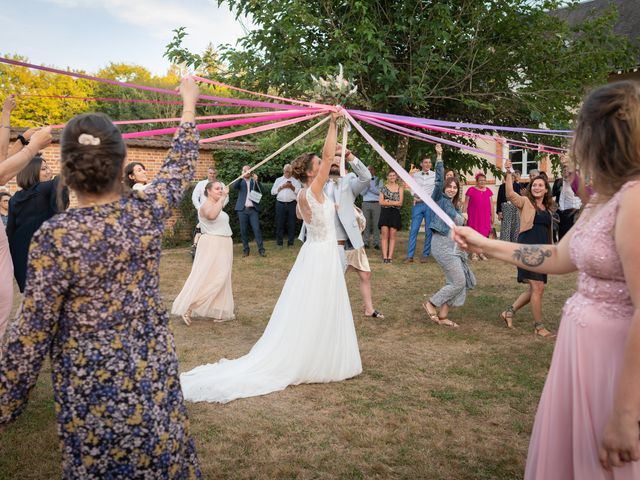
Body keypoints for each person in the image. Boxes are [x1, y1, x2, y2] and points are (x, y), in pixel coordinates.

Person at [0, 78, 202, 478]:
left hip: (91, 391)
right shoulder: (146, 213)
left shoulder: (57, 238)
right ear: (119, 162)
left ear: (68, 174)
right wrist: (189, 103)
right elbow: (179, 166)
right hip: (153, 376)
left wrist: (4, 402)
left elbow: (31, 334)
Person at [452, 80, 640, 479]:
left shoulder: (635, 200)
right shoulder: (604, 199)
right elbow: (556, 257)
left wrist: (625, 412)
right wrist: (484, 242)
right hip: (580, 352)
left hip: (614, 361)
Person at [180, 113, 362, 404]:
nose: (325, 167)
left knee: (317, 304)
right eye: (320, 166)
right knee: (319, 302)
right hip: (322, 254)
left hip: (316, 253)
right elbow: (329, 155)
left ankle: (316, 350)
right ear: (312, 172)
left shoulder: (307, 193)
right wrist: (333, 123)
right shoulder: (312, 190)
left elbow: (326, 165)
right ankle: (315, 356)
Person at [0, 95, 53, 339]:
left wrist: (20, 135)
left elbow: (3, 157)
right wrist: (33, 146)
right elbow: (2, 169)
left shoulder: (18, 199)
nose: (48, 170)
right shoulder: (36, 193)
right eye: (44, 168)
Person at [323, 145, 385, 318]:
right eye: (333, 157)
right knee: (334, 280)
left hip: (351, 240)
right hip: (331, 241)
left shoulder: (349, 182)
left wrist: (350, 155)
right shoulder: (319, 183)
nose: (336, 160)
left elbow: (366, 177)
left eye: (339, 157)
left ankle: (369, 309)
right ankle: (328, 312)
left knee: (365, 273)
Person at [496, 160, 555, 337]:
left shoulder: (548, 208)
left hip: (542, 250)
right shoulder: (525, 202)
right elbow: (509, 194)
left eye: (540, 185)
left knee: (537, 288)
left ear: (546, 189)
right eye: (534, 185)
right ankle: (539, 327)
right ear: (531, 188)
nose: (537, 187)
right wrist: (508, 172)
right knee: (537, 287)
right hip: (527, 248)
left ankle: (509, 312)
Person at [422, 144, 475, 327]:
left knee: (455, 281)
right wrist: (439, 157)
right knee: (458, 281)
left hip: (455, 247)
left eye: (454, 187)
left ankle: (443, 316)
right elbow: (438, 180)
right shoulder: (440, 199)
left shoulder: (454, 206)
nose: (451, 189)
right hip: (442, 246)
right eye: (449, 186)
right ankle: (431, 303)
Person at [173, 181, 234, 325]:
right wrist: (223, 197)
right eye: (217, 189)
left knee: (222, 277)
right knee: (215, 277)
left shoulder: (216, 204)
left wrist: (222, 199)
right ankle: (189, 307)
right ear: (208, 191)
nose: (220, 190)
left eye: (221, 188)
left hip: (224, 243)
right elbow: (212, 215)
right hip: (213, 243)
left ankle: (221, 311)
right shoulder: (206, 205)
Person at [7, 154, 69, 292]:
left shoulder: (14, 199)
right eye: (43, 169)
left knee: (32, 295)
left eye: (48, 168)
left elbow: (10, 231)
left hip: (20, 251)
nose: (49, 171)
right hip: (42, 247)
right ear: (32, 172)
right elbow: (59, 207)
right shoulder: (45, 188)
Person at [404, 153, 436, 263]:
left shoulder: (435, 175)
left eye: (429, 163)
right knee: (414, 230)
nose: (428, 164)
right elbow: (411, 187)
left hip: (429, 205)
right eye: (426, 162)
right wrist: (414, 196)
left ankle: (425, 255)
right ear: (421, 164)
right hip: (418, 205)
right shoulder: (416, 175)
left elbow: (436, 190)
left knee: (428, 231)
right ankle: (410, 256)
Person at [191, 166, 228, 256]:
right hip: (203, 213)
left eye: (214, 173)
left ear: (216, 174)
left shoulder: (221, 185)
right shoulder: (201, 184)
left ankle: (216, 251)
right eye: (210, 173)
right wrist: (199, 208)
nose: (212, 175)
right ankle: (197, 251)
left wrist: (220, 206)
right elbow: (194, 196)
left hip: (217, 212)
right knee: (200, 232)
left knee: (216, 233)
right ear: (207, 173)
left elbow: (226, 198)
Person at [234, 165, 266, 257]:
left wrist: (257, 181)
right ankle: (246, 250)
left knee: (257, 230)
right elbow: (235, 187)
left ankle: (261, 250)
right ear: (242, 171)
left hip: (253, 210)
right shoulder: (240, 181)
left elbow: (262, 191)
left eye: (248, 170)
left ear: (251, 172)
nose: (247, 172)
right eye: (245, 170)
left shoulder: (253, 181)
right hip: (242, 209)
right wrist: (240, 177)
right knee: (243, 230)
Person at [464, 172, 494, 260]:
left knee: (483, 235)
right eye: (480, 180)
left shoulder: (488, 191)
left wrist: (492, 216)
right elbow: (465, 204)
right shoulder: (470, 190)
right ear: (476, 181)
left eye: (484, 180)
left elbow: (491, 205)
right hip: (474, 216)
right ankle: (474, 253)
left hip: (484, 217)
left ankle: (481, 253)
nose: (483, 182)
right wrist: (464, 215)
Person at [271, 163, 301, 248]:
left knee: (292, 224)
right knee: (280, 224)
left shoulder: (295, 181)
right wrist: (281, 187)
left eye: (289, 172)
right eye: (286, 171)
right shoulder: (278, 180)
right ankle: (279, 243)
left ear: (292, 172)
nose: (287, 173)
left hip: (292, 204)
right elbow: (272, 192)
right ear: (283, 171)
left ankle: (290, 243)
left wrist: (291, 187)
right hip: (280, 204)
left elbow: (299, 192)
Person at [378, 170, 403, 263]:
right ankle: (385, 257)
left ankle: (390, 257)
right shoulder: (383, 188)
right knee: (384, 234)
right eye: (390, 175)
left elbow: (400, 203)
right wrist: (393, 202)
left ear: (396, 177)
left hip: (395, 213)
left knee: (392, 234)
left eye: (394, 175)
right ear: (387, 177)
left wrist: (388, 201)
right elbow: (381, 202)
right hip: (385, 212)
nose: (392, 177)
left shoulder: (400, 188)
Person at [497, 169, 522, 242]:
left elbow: (521, 198)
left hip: (516, 208)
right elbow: (499, 199)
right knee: (506, 227)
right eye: (509, 178)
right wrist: (499, 212)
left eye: (512, 178)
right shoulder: (502, 186)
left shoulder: (518, 186)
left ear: (514, 179)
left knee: (516, 227)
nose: (511, 179)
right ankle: (505, 244)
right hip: (505, 208)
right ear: (505, 179)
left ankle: (515, 243)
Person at [360, 165, 382, 249]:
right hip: (366, 203)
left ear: (374, 170)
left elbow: (380, 192)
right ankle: (365, 242)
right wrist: (367, 186)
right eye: (368, 169)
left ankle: (376, 243)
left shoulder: (379, 179)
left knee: (376, 224)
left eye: (371, 169)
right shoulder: (363, 180)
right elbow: (362, 193)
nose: (370, 171)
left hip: (376, 203)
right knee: (366, 224)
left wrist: (370, 188)